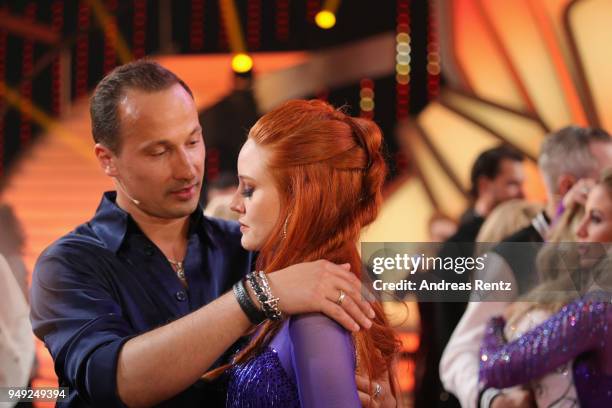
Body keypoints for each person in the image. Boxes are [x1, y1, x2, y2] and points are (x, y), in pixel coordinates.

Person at [30, 60, 392, 407]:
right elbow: (115, 381)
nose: (187, 169)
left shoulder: (253, 247)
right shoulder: (67, 265)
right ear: (107, 159)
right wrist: (257, 298)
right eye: (159, 152)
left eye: (192, 141)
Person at [203, 99, 399, 407]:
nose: (235, 204)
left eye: (250, 189)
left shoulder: (315, 313)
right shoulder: (308, 296)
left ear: (298, 201)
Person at [440, 126, 612, 408]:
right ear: (568, 187)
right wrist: (493, 401)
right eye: (605, 176)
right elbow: (459, 352)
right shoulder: (513, 255)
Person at [479, 168, 612, 407]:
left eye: (595, 218)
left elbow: (497, 367)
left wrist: (494, 323)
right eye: (581, 217)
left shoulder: (598, 310)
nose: (580, 231)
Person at [416, 146, 525, 408]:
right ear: (485, 185)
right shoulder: (458, 246)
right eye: (512, 184)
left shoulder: (516, 237)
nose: (522, 193)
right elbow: (452, 331)